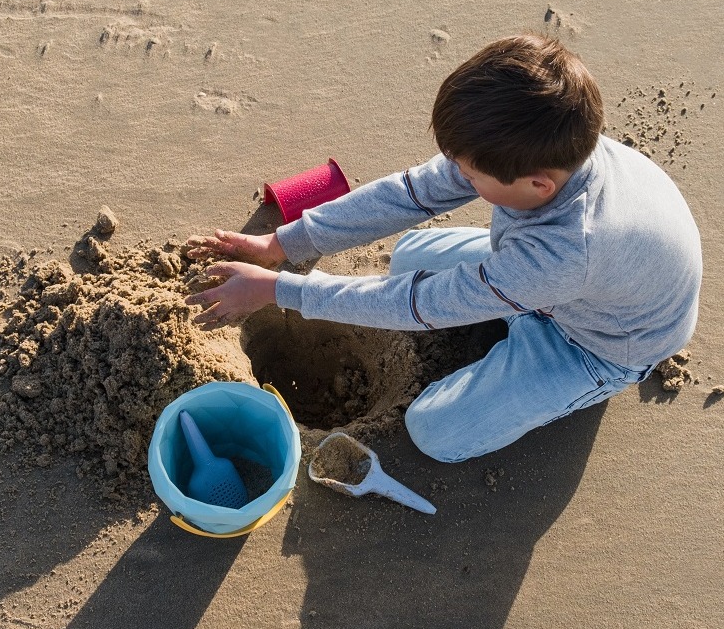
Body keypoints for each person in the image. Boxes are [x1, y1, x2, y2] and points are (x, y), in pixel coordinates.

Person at [184, 34, 702, 463]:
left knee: (435, 432)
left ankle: (534, 344)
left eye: (470, 175)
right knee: (410, 256)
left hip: (600, 341)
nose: (458, 176)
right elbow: (413, 192)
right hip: (569, 279)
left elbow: (420, 306)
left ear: (538, 185)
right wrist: (284, 242)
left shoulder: (565, 249)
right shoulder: (547, 143)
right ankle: (508, 310)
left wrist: (280, 290)